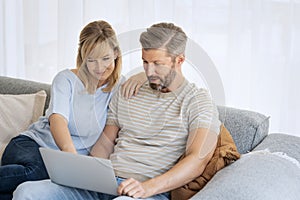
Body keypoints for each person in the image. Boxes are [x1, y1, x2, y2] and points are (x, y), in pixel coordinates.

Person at [13, 22, 221, 200]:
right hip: (104, 184)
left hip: (146, 192)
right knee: (27, 191)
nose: (149, 72)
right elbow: (105, 143)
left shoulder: (199, 101)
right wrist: (84, 173)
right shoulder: (129, 91)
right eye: (145, 62)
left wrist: (148, 187)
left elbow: (197, 160)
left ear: (179, 60)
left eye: (157, 64)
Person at [0, 20, 145, 200]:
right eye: (91, 60)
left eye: (106, 59)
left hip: (67, 164)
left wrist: (142, 74)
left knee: (21, 192)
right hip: (33, 146)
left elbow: (160, 74)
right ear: (83, 57)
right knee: (39, 172)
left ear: (116, 53)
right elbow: (58, 119)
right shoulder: (66, 79)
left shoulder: (119, 87)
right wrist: (72, 162)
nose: (99, 68)